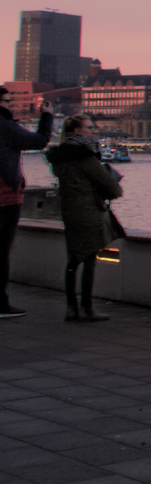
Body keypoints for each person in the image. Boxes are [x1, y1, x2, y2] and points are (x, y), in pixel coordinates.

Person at [45, 115, 123, 323]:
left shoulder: (60, 159)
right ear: (78, 131)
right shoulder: (85, 158)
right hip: (88, 212)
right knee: (89, 260)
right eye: (89, 127)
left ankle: (71, 308)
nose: (93, 131)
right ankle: (87, 308)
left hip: (70, 212)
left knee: (73, 260)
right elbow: (112, 187)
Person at [0, 87, 53, 318]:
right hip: (5, 197)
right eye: (7, 102)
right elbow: (39, 141)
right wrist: (47, 116)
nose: (11, 106)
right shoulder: (4, 126)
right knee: (1, 252)